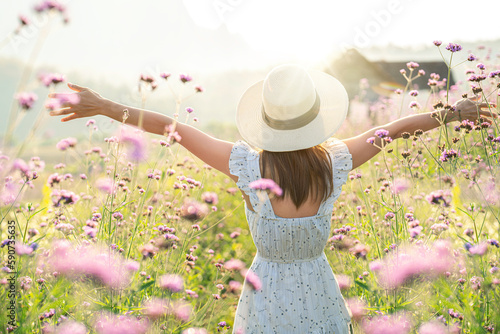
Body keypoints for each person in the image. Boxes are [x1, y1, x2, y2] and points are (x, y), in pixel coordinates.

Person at [49, 64, 495, 334]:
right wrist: (452, 113)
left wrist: (107, 107)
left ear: (267, 119)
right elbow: (396, 129)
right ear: (314, 116)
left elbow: (175, 129)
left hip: (266, 297)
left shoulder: (246, 165)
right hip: (321, 292)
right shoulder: (334, 162)